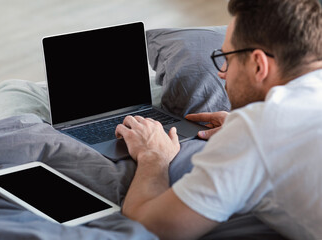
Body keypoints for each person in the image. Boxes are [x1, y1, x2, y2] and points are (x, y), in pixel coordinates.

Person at [115, 0, 322, 239]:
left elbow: (148, 225)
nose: (222, 72)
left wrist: (153, 156)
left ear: (258, 64)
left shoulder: (259, 127)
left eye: (228, 59)